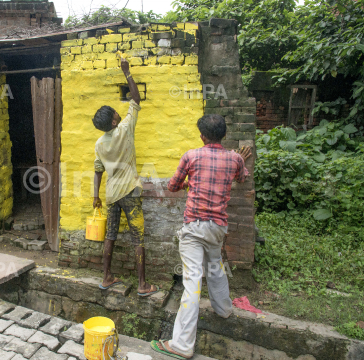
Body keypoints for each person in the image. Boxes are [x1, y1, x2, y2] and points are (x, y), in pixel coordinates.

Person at [151, 114, 252, 359]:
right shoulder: (235, 158)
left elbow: (173, 186)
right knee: (216, 267)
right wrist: (241, 159)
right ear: (224, 135)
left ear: (202, 136)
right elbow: (242, 178)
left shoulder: (192, 155)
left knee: (192, 282)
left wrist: (188, 184)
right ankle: (224, 309)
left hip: (194, 228)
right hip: (217, 227)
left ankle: (182, 345)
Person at [92, 57, 158, 297]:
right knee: (137, 236)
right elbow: (136, 99)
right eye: (115, 112)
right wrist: (127, 72)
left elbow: (98, 170)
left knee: (110, 235)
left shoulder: (99, 143)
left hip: (110, 195)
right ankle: (142, 285)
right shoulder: (125, 128)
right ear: (113, 120)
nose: (118, 112)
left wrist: (95, 197)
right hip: (130, 191)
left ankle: (106, 277)